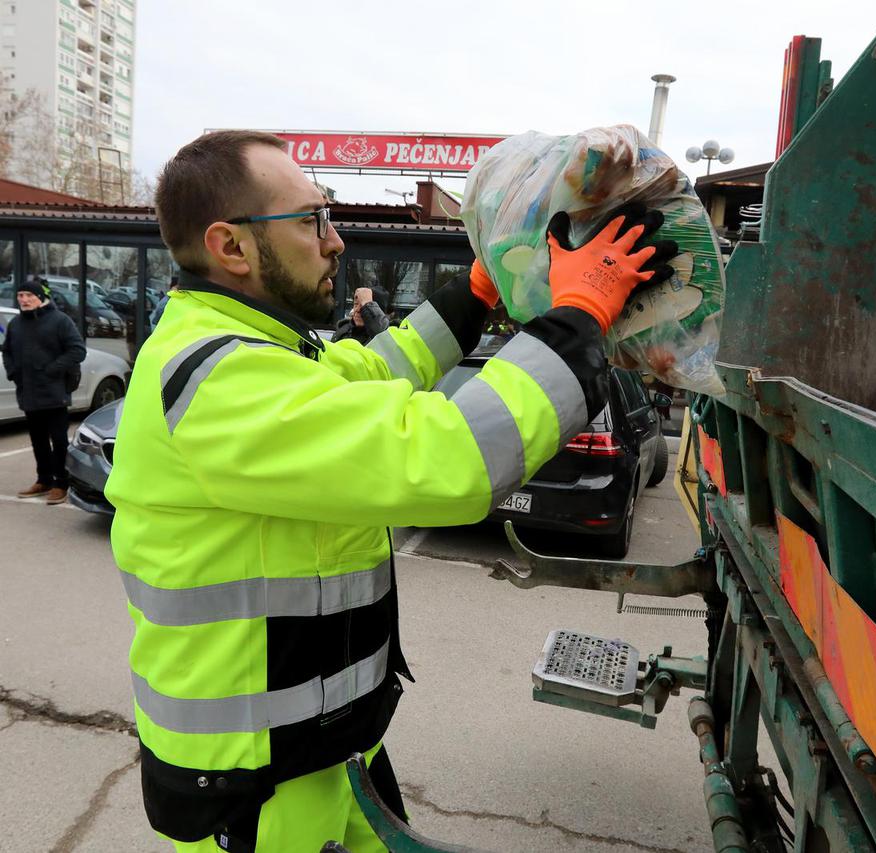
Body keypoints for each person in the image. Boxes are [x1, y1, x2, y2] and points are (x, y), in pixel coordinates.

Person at [105, 130, 677, 851]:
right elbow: (451, 455)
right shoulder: (216, 379)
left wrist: (476, 295)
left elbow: (377, 371)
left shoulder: (267, 352)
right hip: (256, 791)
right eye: (312, 219)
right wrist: (578, 318)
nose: (335, 240)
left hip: (329, 753)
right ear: (231, 246)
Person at [2, 275, 87, 505]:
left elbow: (78, 350)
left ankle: (62, 482)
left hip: (54, 393)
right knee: (38, 440)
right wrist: (13, 372)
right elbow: (7, 351)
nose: (24, 299)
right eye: (20, 295)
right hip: (28, 393)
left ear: (40, 298)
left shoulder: (60, 321)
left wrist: (52, 369)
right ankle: (44, 479)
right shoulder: (16, 324)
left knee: (59, 441)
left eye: (29, 295)